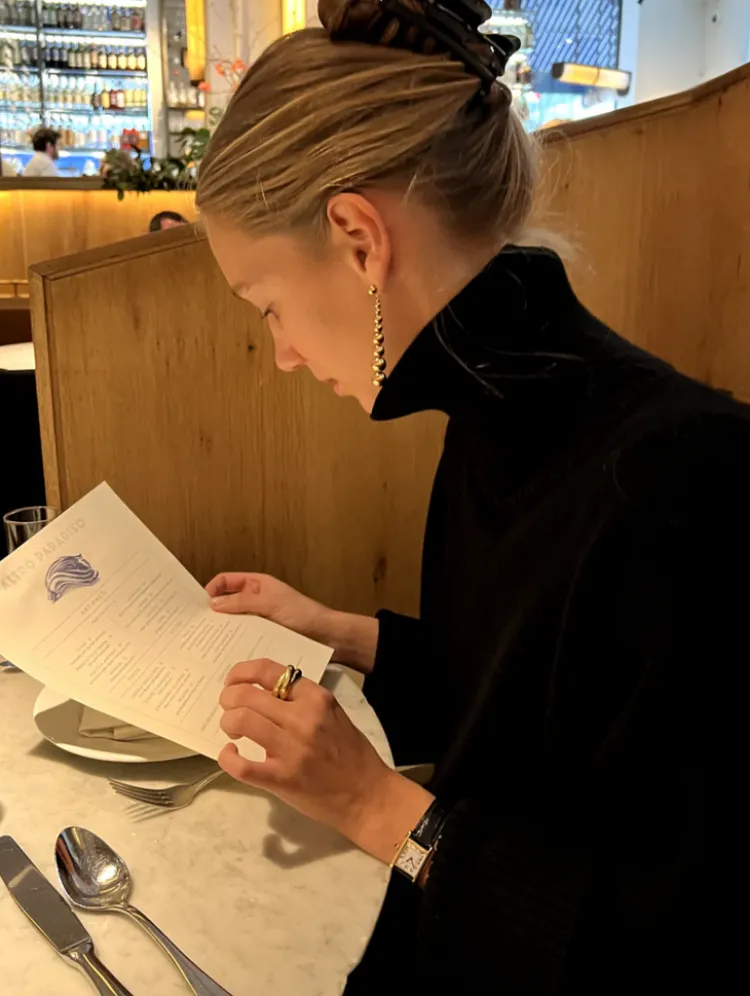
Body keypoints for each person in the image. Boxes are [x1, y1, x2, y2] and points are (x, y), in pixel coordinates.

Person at [196, 0, 742, 991]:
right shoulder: (505, 414)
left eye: (268, 307)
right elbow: (518, 703)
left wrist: (373, 806)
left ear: (358, 237)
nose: (282, 354)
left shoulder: (683, 481)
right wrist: (336, 632)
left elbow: (665, 941)